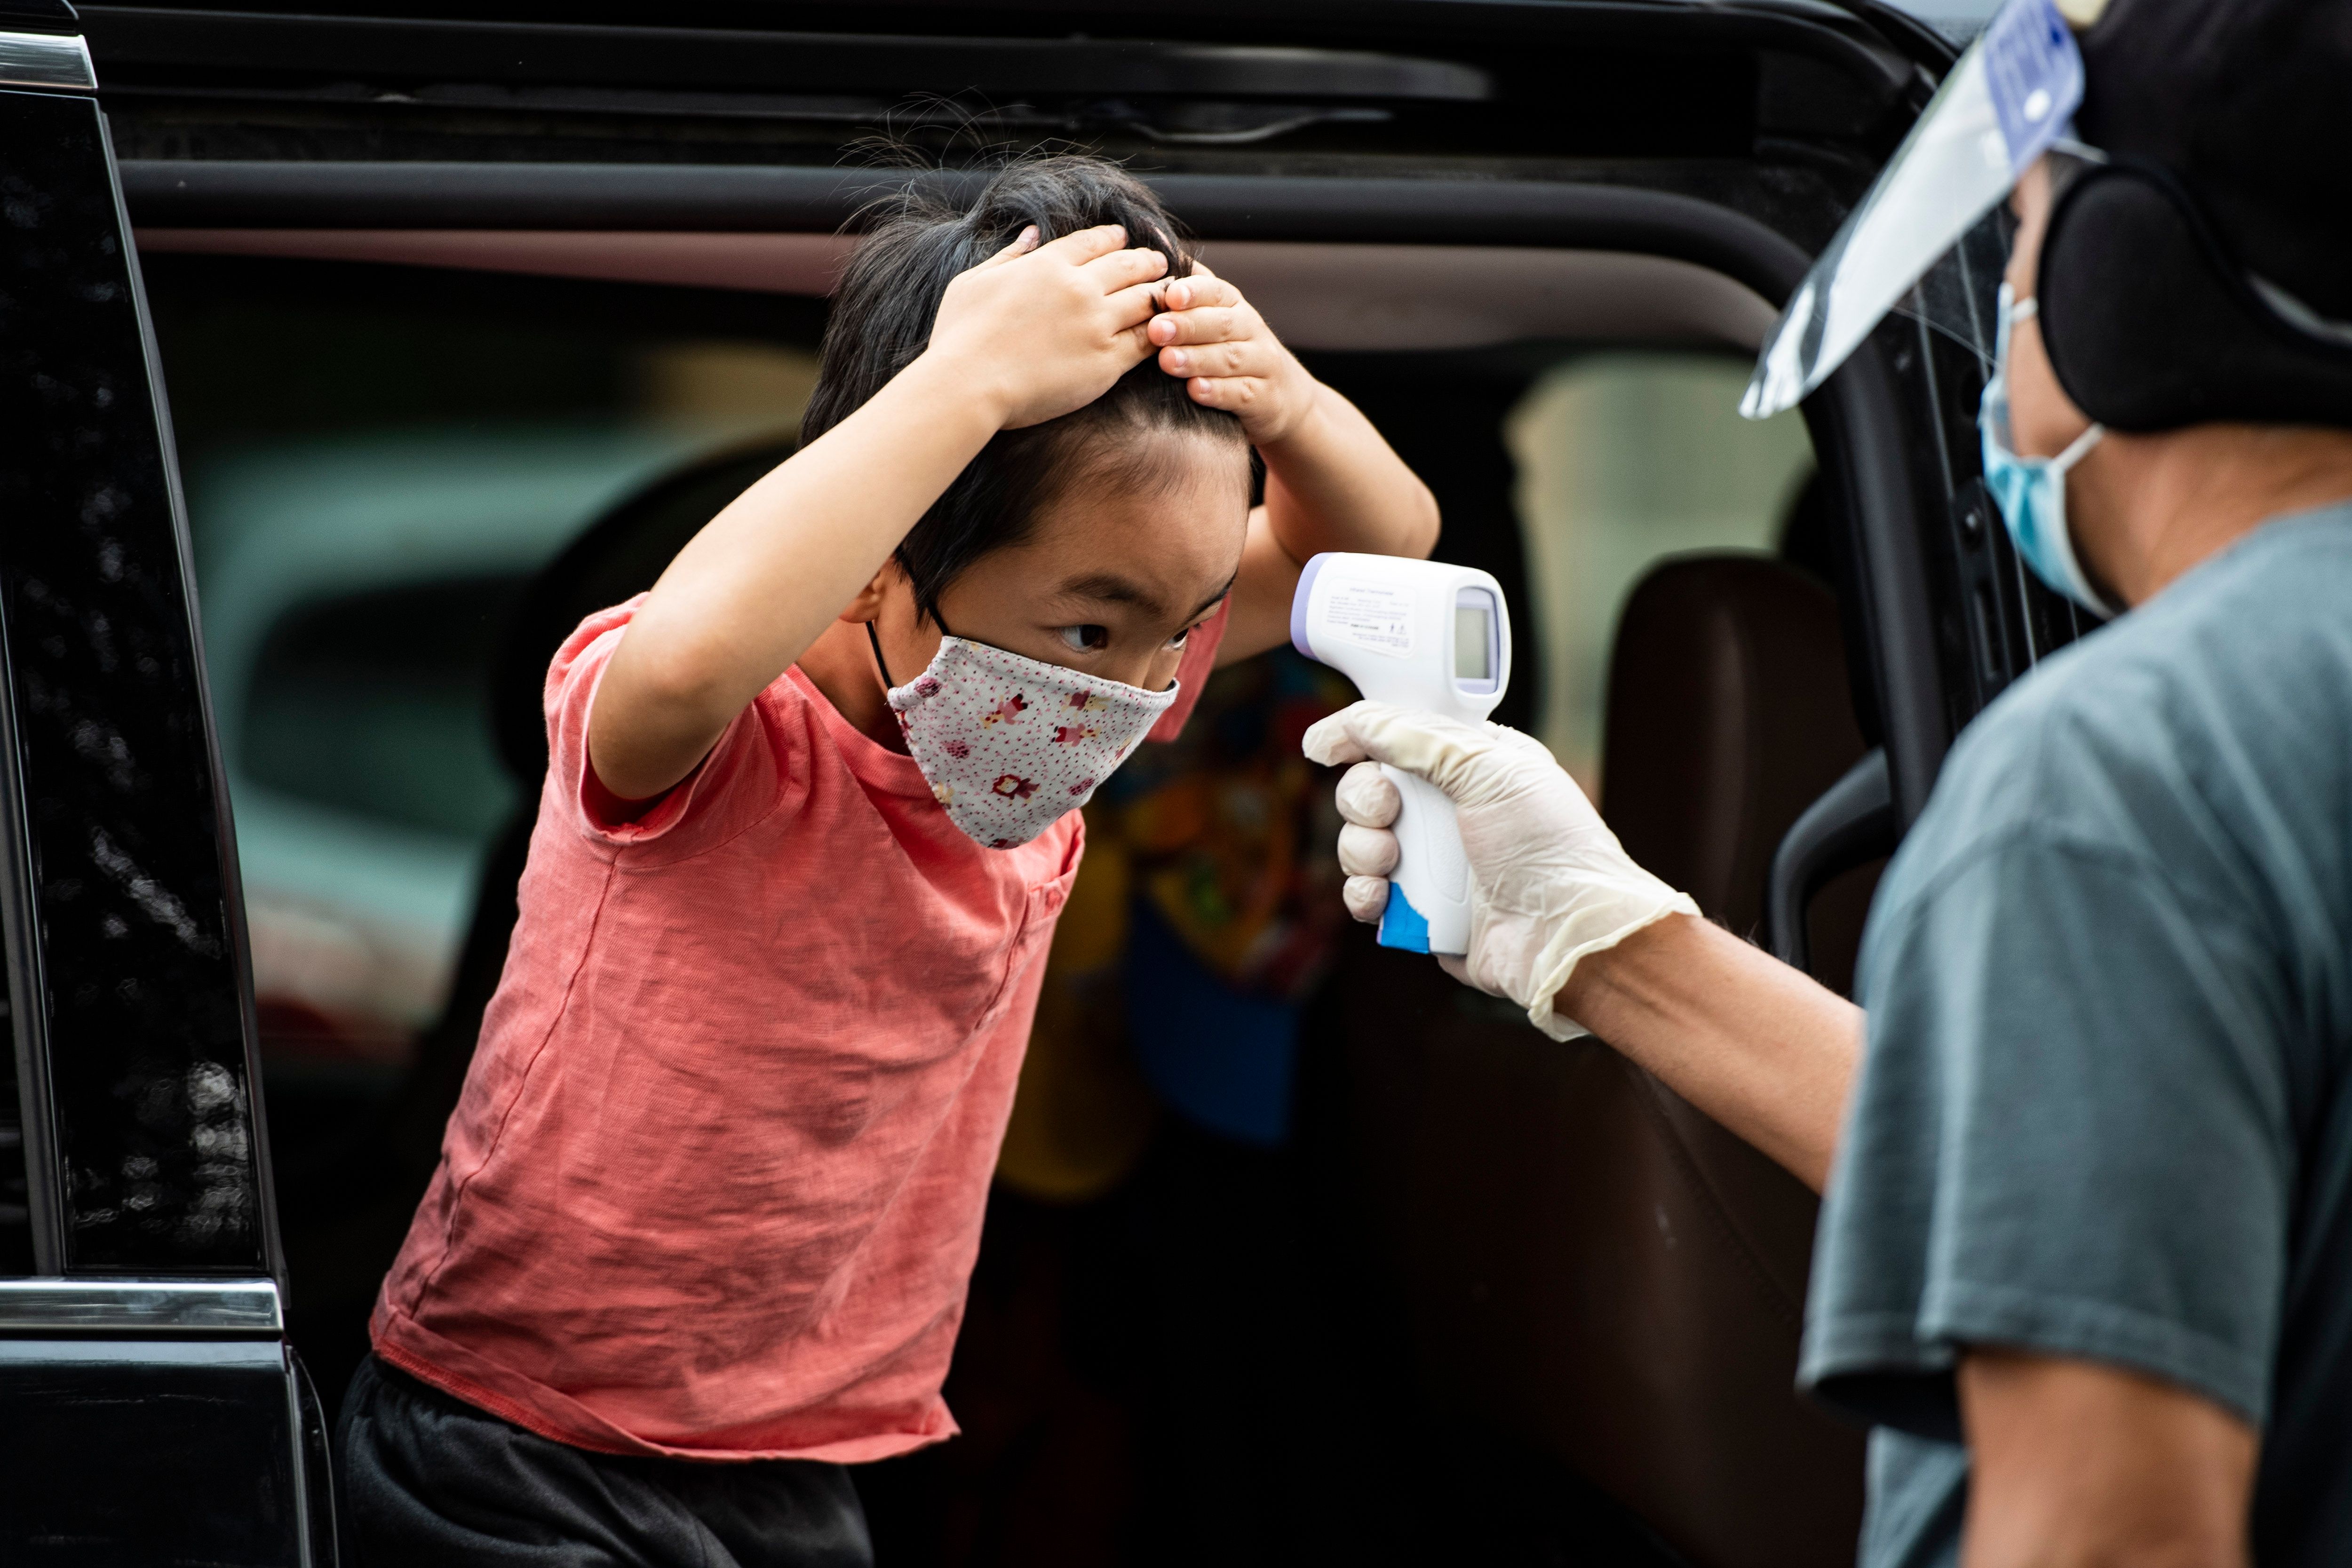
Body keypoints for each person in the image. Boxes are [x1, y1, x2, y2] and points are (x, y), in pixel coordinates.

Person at [1304, 0, 2352, 1563]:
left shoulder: (2118, 773)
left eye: (2024, 233)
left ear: (2133, 268)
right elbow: (2106, 1179)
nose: (2005, 295)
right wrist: (1614, 942)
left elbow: (2113, 1538)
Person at [337, 154, 1438, 1565]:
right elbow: (676, 661)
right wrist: (965, 384)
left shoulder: (1054, 697)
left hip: (800, 1451)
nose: (1148, 687)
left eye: (1184, 630)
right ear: (877, 566)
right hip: (517, 1440)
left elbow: (1385, 547)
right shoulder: (726, 739)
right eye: (1097, 634)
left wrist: (1280, 394)